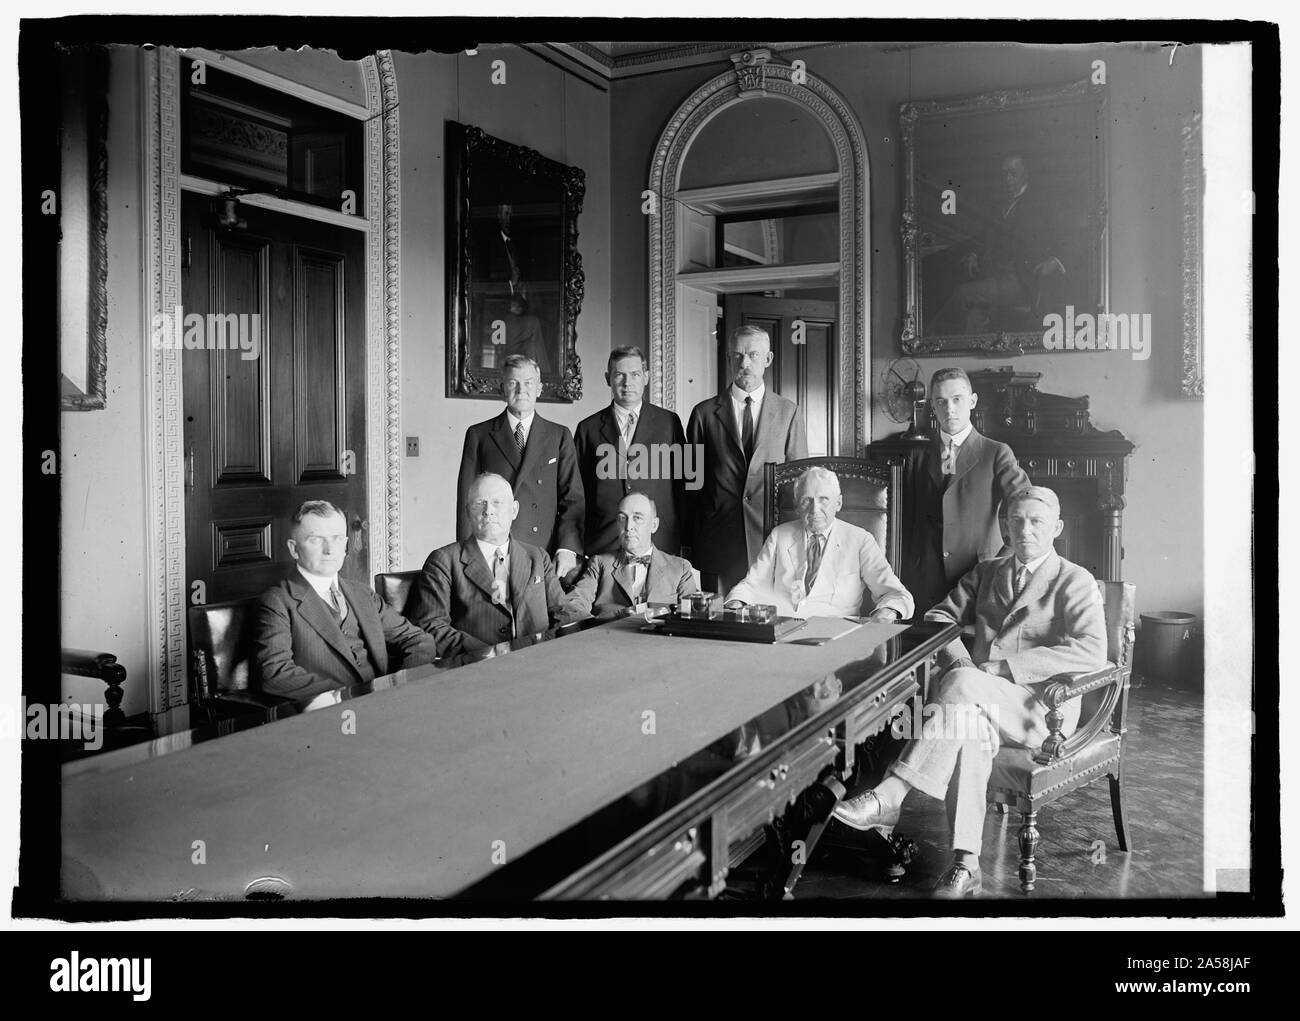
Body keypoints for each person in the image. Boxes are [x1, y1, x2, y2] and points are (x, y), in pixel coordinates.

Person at [831, 486, 1106, 897]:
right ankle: (966, 864)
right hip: (977, 698)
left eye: (1037, 522)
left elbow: (1092, 649)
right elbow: (939, 616)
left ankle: (893, 792)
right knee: (971, 729)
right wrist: (961, 663)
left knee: (962, 688)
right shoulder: (989, 571)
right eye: (1017, 521)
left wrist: (1003, 668)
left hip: (1039, 712)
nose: (1025, 531)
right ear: (1006, 527)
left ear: (1057, 528)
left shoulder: (1074, 580)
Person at [253, 500, 440, 700]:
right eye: (316, 540)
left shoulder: (362, 594)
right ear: (293, 549)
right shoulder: (278, 601)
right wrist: (342, 696)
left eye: (337, 538)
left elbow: (419, 640)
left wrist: (401, 685)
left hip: (387, 703)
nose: (329, 549)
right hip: (329, 714)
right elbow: (276, 675)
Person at [686, 325, 807, 593]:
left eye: (753, 355)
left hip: (771, 539)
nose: (745, 363)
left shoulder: (788, 412)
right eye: (738, 355)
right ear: (729, 359)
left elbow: (799, 483)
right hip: (718, 541)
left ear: (768, 359)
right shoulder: (703, 414)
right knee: (717, 624)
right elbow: (691, 485)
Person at [901, 367, 1029, 619]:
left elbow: (1029, 509)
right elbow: (904, 521)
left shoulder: (996, 453)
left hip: (979, 580)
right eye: (941, 401)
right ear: (932, 407)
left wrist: (1000, 562)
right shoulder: (916, 456)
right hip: (924, 582)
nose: (949, 409)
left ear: (972, 401)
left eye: (957, 399)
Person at [409, 473, 573, 658]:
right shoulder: (443, 561)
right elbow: (431, 626)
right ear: (467, 511)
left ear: (514, 510)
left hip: (540, 661)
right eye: (479, 503)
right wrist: (489, 654)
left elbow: (563, 612)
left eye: (497, 502)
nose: (488, 511)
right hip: (477, 669)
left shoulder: (538, 556)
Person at [456, 353, 584, 585]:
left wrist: (567, 548)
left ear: (539, 388)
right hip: (493, 550)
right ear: (502, 387)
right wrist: (468, 554)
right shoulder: (479, 435)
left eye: (528, 383)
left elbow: (572, 499)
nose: (521, 390)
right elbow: (468, 501)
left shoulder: (559, 435)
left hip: (543, 552)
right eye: (513, 383)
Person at [724, 467, 913, 622]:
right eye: (807, 500)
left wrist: (886, 614)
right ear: (797, 506)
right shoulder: (779, 535)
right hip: (782, 635)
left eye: (824, 499)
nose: (815, 509)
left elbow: (897, 595)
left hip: (838, 639)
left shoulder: (860, 540)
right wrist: (735, 604)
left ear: (838, 503)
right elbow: (752, 586)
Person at [574, 346, 688, 557]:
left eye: (635, 375)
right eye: (620, 375)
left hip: (659, 541)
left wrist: (685, 541)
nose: (628, 383)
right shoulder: (587, 429)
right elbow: (578, 494)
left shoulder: (669, 423)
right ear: (608, 378)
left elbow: (683, 486)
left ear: (645, 377)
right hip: (604, 542)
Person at [937, 153, 1068, 334]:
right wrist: (974, 254)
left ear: (1025, 174)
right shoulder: (998, 205)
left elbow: (1064, 238)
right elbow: (983, 237)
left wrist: (1055, 259)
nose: (1008, 179)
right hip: (992, 275)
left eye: (1013, 173)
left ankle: (934, 334)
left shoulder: (1040, 204)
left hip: (1020, 279)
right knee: (974, 315)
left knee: (963, 293)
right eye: (1004, 174)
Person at [564, 491, 698, 620]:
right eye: (622, 518)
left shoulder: (680, 568)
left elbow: (693, 616)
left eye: (637, 518)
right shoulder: (599, 563)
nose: (628, 526)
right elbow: (573, 606)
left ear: (654, 525)